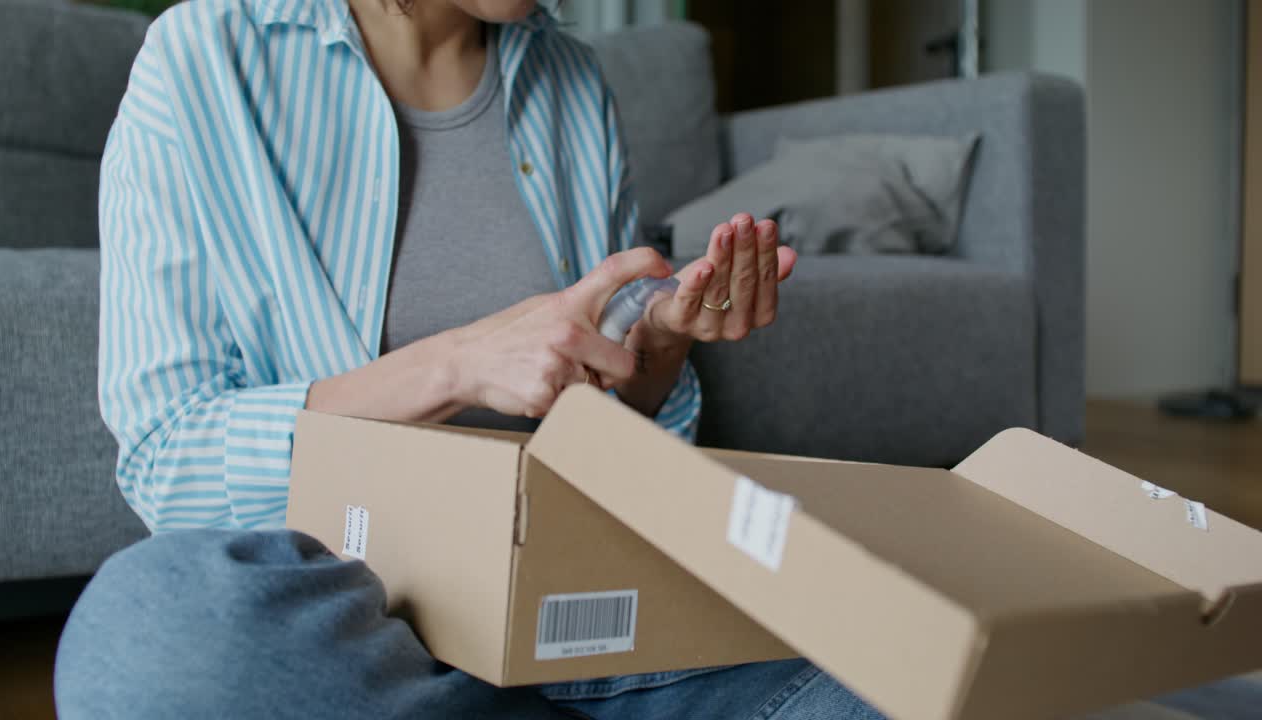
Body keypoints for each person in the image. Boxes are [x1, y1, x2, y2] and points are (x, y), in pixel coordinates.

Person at [55, 0, 885, 718]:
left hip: (563, 596)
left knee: (900, 661)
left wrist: (658, 341)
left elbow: (605, 427)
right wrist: (456, 364)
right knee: (142, 634)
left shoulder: (572, 81)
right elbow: (170, 458)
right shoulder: (202, 57)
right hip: (352, 612)